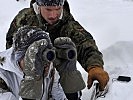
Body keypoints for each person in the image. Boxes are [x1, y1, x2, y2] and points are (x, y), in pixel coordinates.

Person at [6, 0, 109, 99]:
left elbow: (84, 42)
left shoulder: (66, 22)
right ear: (39, 6)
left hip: (58, 73)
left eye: (58, 9)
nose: (53, 15)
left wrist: (94, 66)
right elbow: (13, 53)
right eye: (48, 10)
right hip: (27, 75)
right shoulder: (24, 19)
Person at [0, 26, 67, 100]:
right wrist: (30, 81)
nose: (44, 64)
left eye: (45, 56)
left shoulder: (49, 69)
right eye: (35, 57)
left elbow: (59, 96)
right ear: (20, 58)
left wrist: (71, 76)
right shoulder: (2, 75)